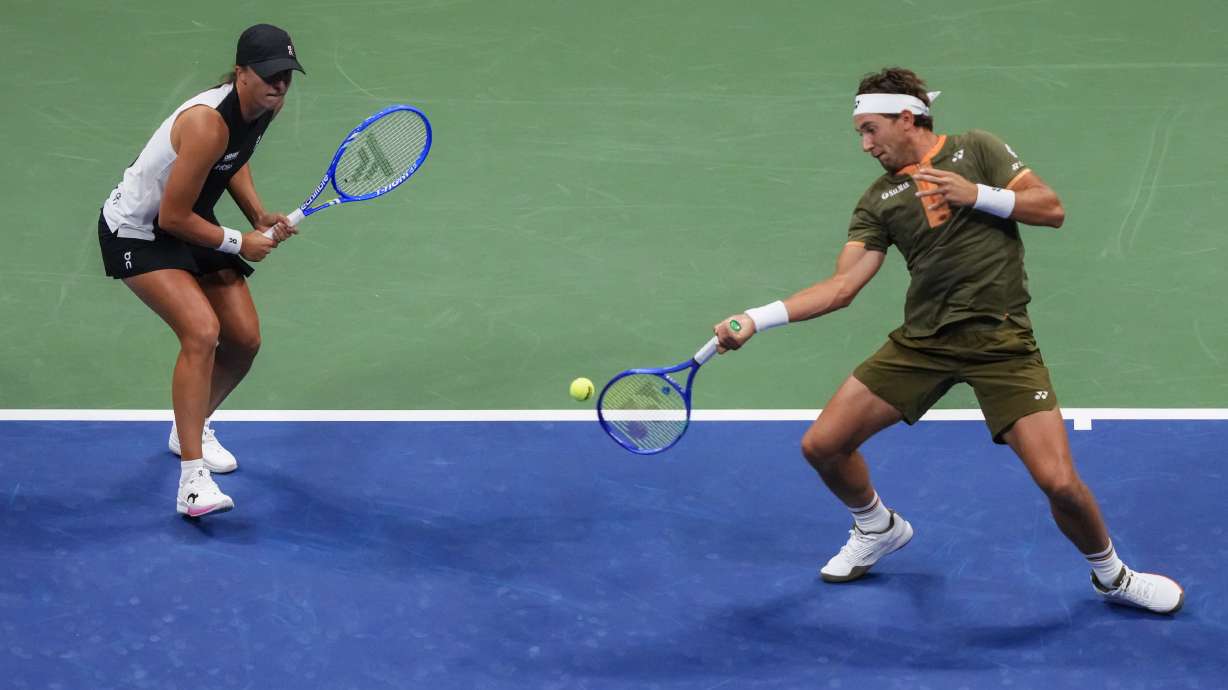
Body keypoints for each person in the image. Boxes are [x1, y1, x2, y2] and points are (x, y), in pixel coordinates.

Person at [711, 67, 1183, 614]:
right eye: (859, 134)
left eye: (870, 130)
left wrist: (979, 194)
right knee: (822, 445)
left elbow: (1051, 209)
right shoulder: (879, 199)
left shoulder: (976, 150)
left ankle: (1114, 576)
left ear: (906, 118)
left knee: (1058, 482)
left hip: (1001, 343)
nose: (864, 145)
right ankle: (877, 526)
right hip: (923, 345)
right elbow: (841, 287)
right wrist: (755, 317)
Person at [97, 24, 304, 517]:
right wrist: (240, 241)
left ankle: (188, 424)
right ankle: (192, 481)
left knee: (245, 339)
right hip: (139, 231)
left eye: (287, 77)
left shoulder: (262, 107)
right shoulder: (207, 122)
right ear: (242, 74)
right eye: (271, 75)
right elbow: (170, 217)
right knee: (202, 331)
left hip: (190, 220)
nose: (280, 85)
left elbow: (232, 160)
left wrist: (256, 213)